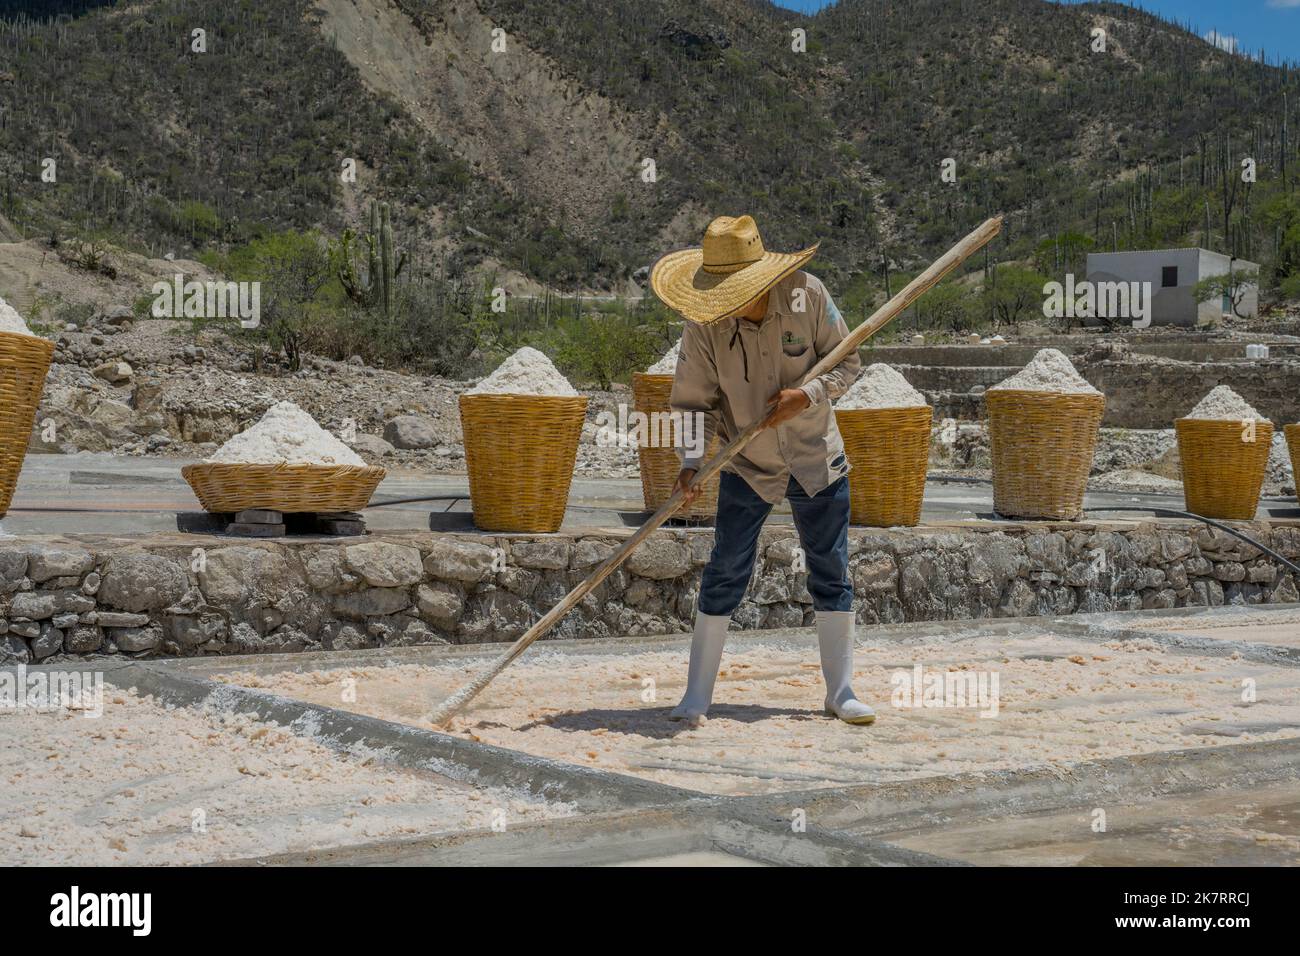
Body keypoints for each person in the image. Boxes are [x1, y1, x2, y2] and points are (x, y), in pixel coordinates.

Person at [649, 214, 874, 726]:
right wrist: (690, 462)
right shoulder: (705, 325)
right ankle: (697, 696)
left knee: (831, 570)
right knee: (727, 566)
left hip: (816, 456)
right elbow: (691, 403)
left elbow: (848, 362)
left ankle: (840, 692)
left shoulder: (808, 295)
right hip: (747, 462)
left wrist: (807, 395)